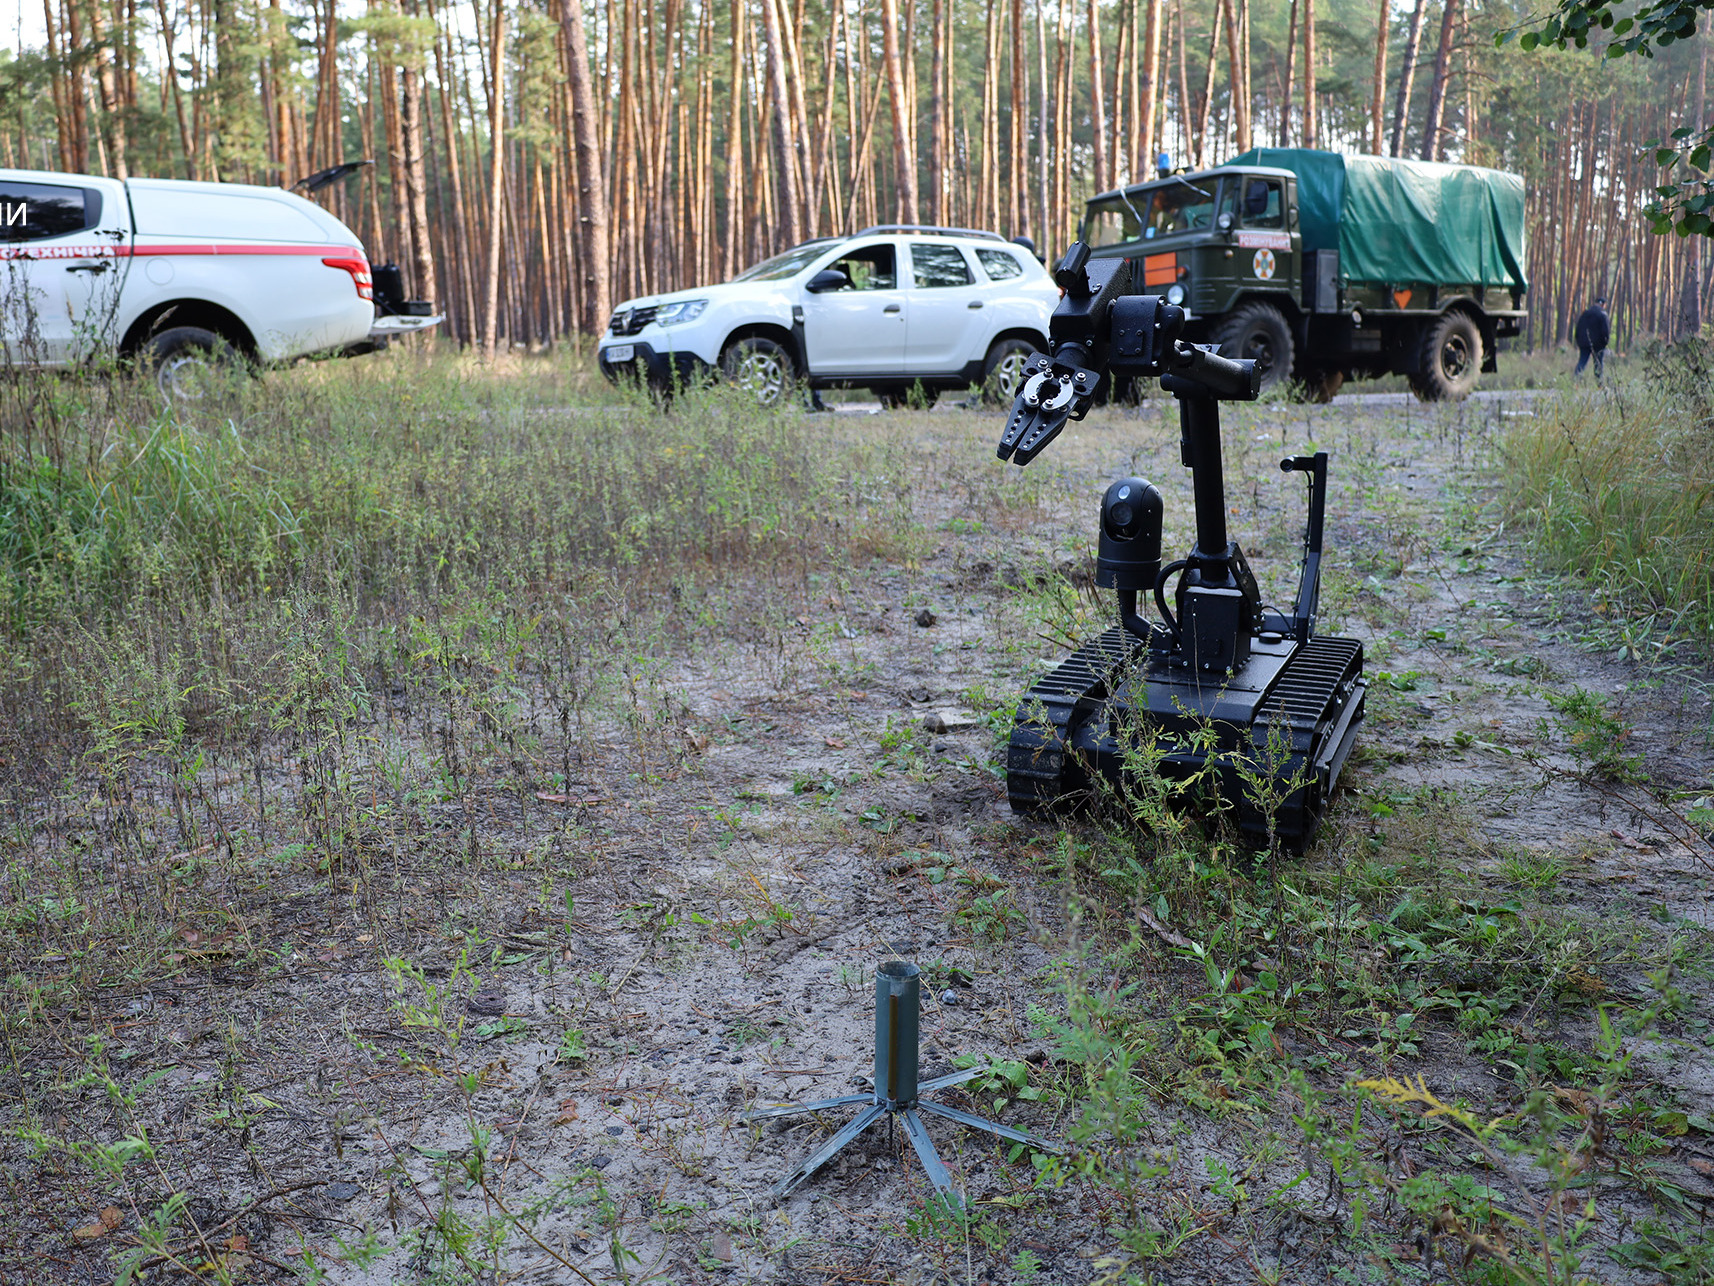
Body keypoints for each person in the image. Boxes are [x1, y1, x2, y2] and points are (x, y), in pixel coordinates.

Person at [1574, 296, 1610, 381]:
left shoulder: (1585, 313)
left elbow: (1578, 328)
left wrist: (1579, 341)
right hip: (1598, 345)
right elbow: (1606, 331)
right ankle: (1599, 385)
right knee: (1598, 364)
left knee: (1582, 362)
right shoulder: (1603, 315)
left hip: (1584, 343)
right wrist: (1605, 343)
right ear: (1603, 305)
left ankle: (1576, 382)